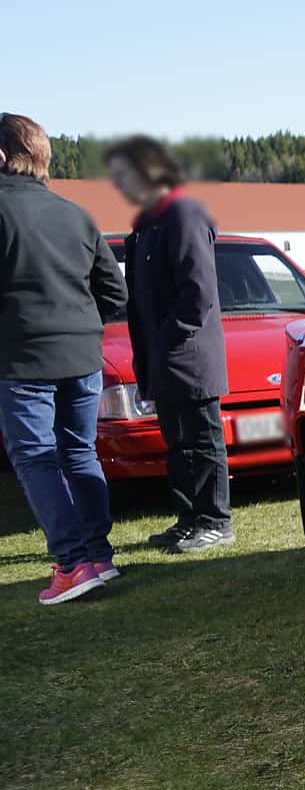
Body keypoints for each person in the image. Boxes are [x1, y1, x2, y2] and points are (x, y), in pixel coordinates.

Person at [0, 113, 129, 604]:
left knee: (35, 458)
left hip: (23, 357)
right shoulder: (75, 213)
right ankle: (97, 555)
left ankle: (73, 564)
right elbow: (114, 294)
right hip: (82, 354)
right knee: (79, 453)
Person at [106, 136, 233, 553]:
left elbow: (197, 292)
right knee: (178, 444)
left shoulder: (183, 214)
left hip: (188, 356)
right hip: (163, 358)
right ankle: (188, 519)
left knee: (202, 439)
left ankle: (215, 520)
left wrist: (169, 340)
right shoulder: (147, 223)